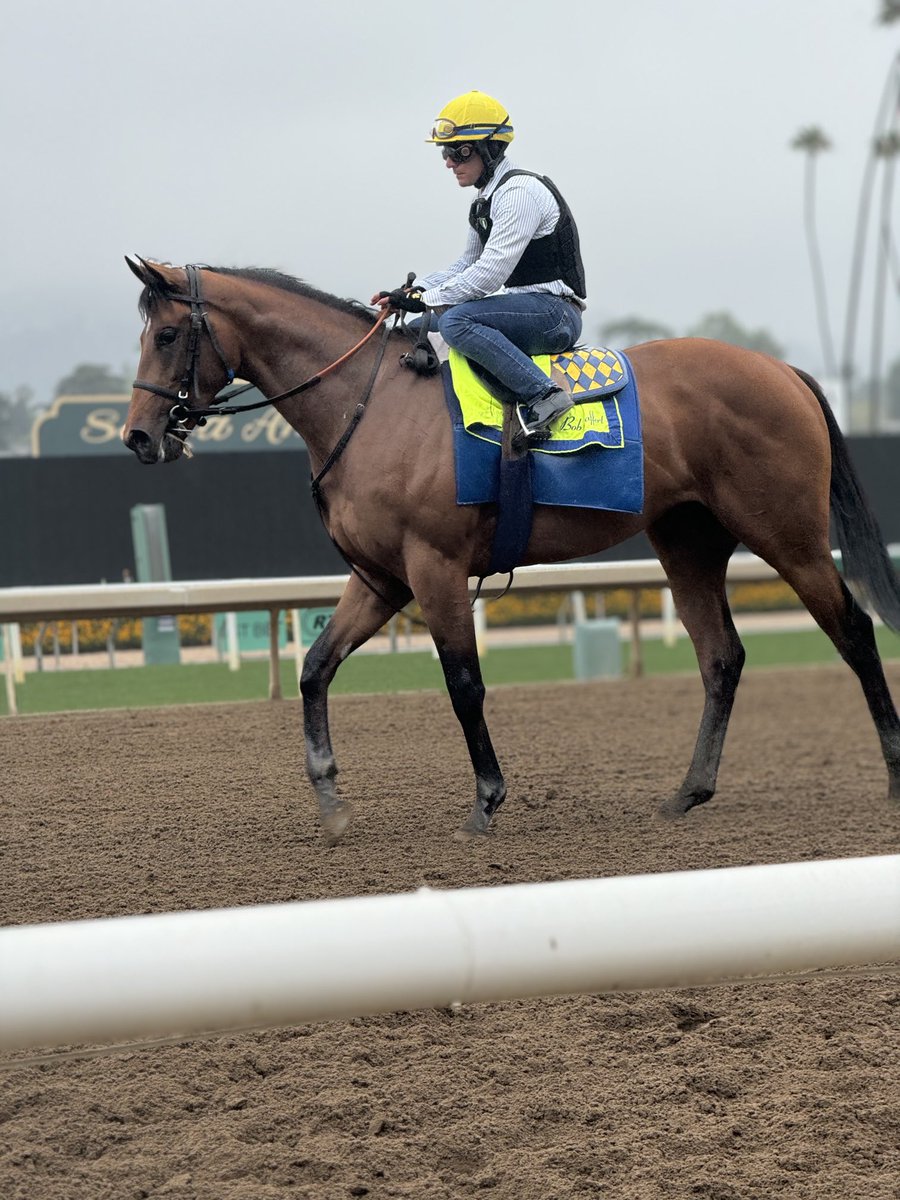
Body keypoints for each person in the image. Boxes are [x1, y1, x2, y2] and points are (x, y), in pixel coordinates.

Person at [372, 90, 587, 449]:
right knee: (414, 328)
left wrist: (427, 299)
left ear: (490, 149)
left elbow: (488, 276)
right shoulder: (486, 199)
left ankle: (545, 395)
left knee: (456, 321)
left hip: (555, 315)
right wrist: (412, 293)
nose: (449, 162)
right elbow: (466, 264)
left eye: (459, 151)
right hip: (526, 309)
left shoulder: (520, 193)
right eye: (446, 152)